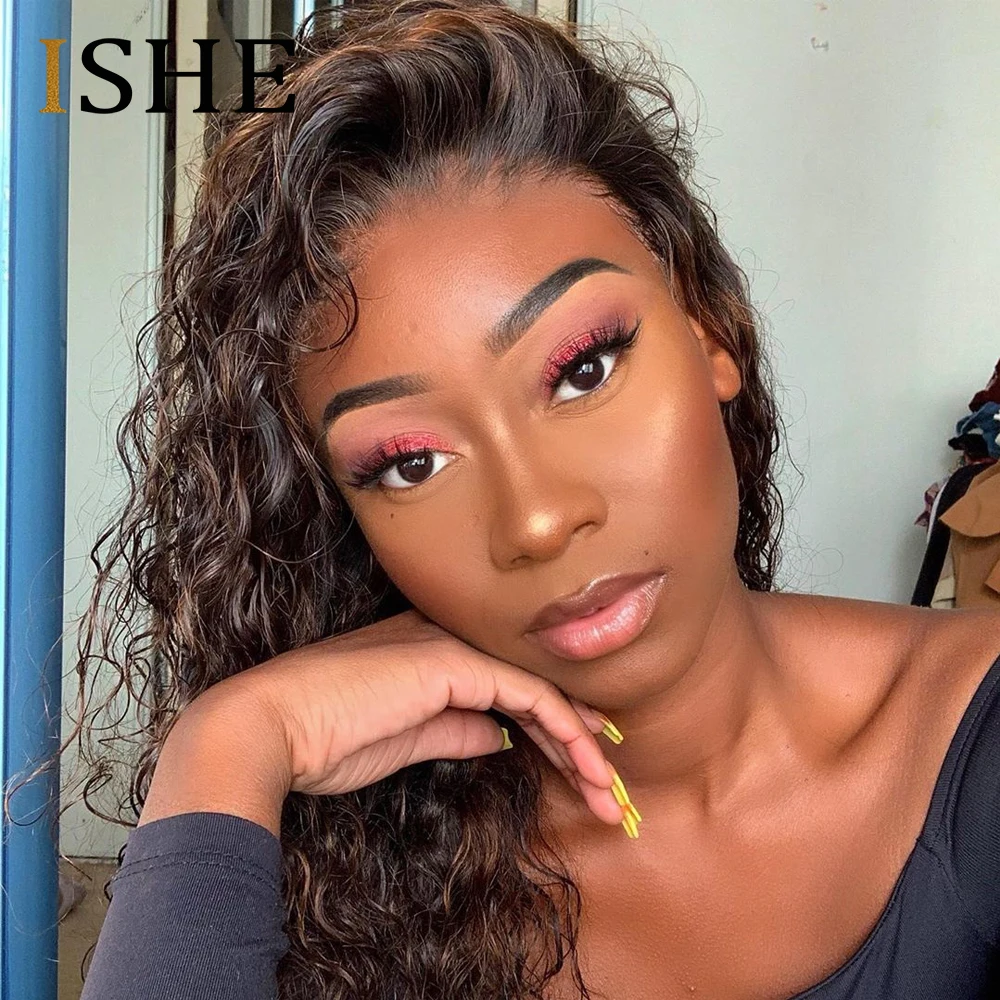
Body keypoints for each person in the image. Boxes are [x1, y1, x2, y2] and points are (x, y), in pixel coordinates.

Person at [61, 1, 999, 998]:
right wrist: (229, 742)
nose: (537, 521)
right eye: (410, 462)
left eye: (583, 369)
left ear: (710, 331)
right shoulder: (343, 870)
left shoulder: (971, 746)